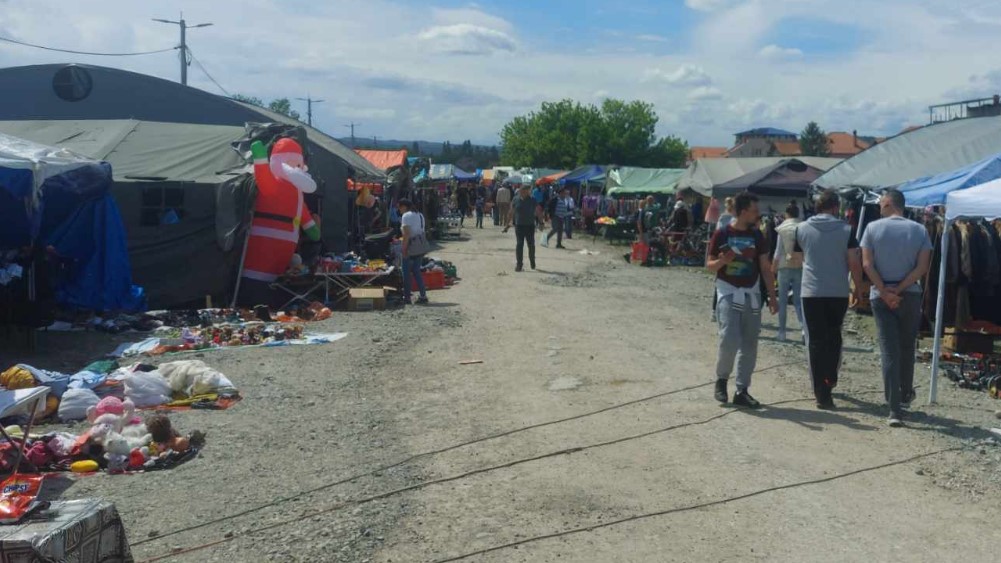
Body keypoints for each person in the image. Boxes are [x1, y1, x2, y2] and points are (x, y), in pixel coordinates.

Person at [861, 188, 932, 427]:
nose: (879, 207)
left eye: (881, 203)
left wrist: (884, 291)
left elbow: (867, 264)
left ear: (889, 204)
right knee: (906, 347)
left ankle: (893, 409)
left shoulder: (872, 228)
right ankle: (904, 394)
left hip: (881, 295)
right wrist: (899, 289)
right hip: (909, 294)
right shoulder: (920, 230)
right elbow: (922, 267)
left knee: (889, 350)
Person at [707, 192, 778, 408]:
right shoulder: (722, 233)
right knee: (729, 337)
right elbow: (709, 265)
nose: (758, 214)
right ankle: (721, 380)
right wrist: (722, 261)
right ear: (743, 212)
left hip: (752, 293)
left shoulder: (757, 236)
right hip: (728, 291)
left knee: (750, 342)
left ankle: (742, 390)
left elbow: (765, 267)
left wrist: (772, 296)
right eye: (755, 211)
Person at [794, 189, 863, 409]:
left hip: (811, 291)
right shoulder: (846, 230)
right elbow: (854, 261)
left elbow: (797, 258)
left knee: (815, 341)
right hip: (838, 291)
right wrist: (858, 288)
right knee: (834, 336)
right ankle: (830, 376)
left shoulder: (801, 229)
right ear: (835, 207)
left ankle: (821, 391)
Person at [770, 202, 804, 342]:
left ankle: (782, 332)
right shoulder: (803, 227)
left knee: (783, 301)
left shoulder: (782, 229)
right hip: (800, 266)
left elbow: (777, 252)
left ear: (786, 214)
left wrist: (773, 268)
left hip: (784, 266)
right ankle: (803, 330)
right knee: (798, 301)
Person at [398, 199, 429, 306]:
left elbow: (406, 234)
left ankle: (407, 298)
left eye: (399, 207)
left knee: (406, 273)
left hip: (411, 247)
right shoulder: (420, 215)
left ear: (404, 207)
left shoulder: (406, 216)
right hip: (420, 247)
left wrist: (404, 249)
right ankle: (423, 295)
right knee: (416, 271)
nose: (399, 209)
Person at [507, 185, 537, 271]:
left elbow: (537, 210)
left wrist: (541, 222)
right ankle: (519, 264)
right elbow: (511, 211)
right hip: (519, 225)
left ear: (528, 192)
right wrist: (508, 223)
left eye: (526, 191)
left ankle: (532, 260)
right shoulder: (516, 199)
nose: (523, 192)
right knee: (519, 244)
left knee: (531, 245)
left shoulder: (532, 200)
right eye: (522, 191)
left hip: (530, 226)